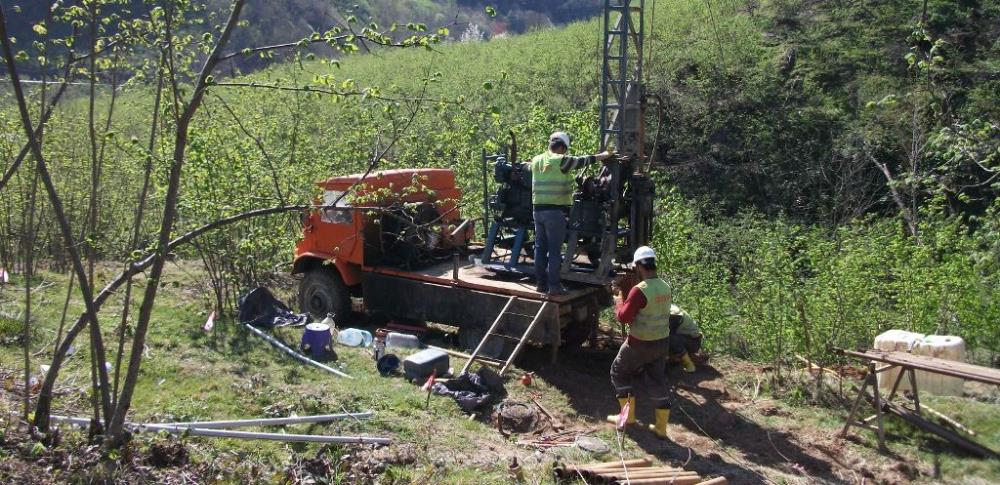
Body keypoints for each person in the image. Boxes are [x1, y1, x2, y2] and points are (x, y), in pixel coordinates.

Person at [528, 131, 613, 295]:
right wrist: (603, 155)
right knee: (554, 250)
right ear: (561, 147)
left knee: (540, 248)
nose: (565, 152)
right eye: (565, 149)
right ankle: (554, 286)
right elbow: (583, 161)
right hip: (555, 212)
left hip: (537, 211)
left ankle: (541, 284)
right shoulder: (561, 161)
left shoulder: (537, 160)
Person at [607, 246, 673, 439]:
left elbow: (623, 317)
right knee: (657, 380)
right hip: (661, 342)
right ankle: (661, 428)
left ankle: (628, 418)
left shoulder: (640, 290)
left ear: (637, 266)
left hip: (640, 342)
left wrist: (618, 298)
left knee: (619, 372)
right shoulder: (665, 286)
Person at [669, 304, 702, 373]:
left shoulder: (673, 313)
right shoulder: (666, 307)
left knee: (669, 338)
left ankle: (689, 365)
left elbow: (668, 334)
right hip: (686, 339)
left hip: (693, 342)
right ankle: (675, 359)